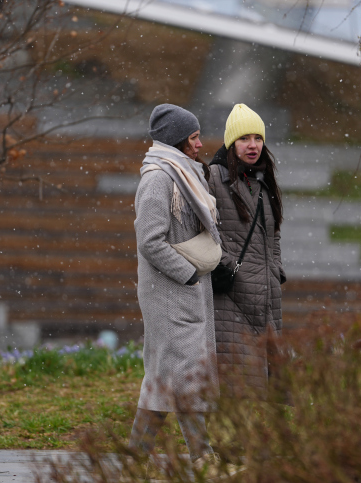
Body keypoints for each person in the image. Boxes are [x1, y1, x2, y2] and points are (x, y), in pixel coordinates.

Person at [129, 103, 223, 473]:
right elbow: (149, 240)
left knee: (169, 379)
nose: (200, 144)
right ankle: (202, 459)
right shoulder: (158, 179)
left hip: (182, 293)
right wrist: (187, 273)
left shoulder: (182, 173)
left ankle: (136, 460)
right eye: (194, 137)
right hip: (170, 294)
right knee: (179, 378)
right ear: (177, 140)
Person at [207, 103, 286, 402]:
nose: (253, 145)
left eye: (258, 138)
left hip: (266, 298)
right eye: (244, 138)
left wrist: (275, 268)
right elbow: (199, 230)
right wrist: (227, 265)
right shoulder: (213, 178)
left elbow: (273, 233)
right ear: (231, 142)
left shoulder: (262, 181)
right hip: (231, 299)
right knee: (239, 388)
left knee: (267, 389)